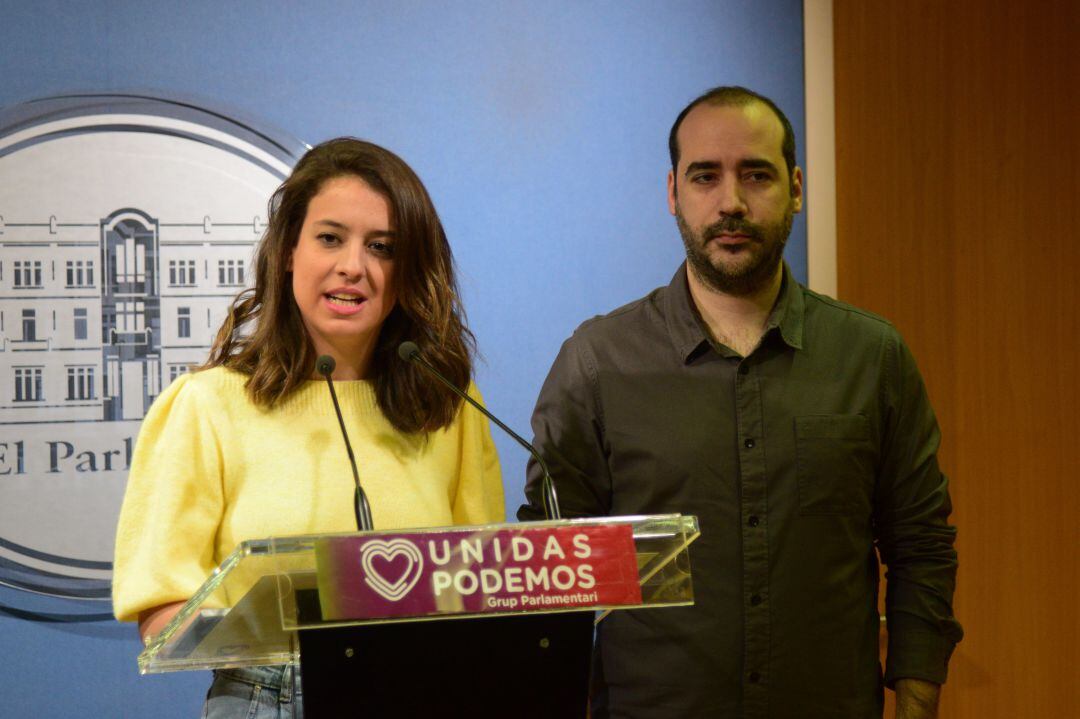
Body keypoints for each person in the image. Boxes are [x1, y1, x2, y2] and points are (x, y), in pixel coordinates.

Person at [519, 87, 962, 719]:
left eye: (756, 175)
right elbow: (551, 570)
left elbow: (920, 542)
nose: (731, 202)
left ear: (797, 188)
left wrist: (918, 699)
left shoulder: (872, 356)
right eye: (706, 177)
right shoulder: (598, 363)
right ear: (673, 192)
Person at [113, 138, 505, 718]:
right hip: (269, 698)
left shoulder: (447, 405)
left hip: (427, 690)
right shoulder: (207, 405)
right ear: (289, 251)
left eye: (382, 247)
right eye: (330, 238)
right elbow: (164, 611)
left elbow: (485, 587)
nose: (353, 265)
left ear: (407, 271)